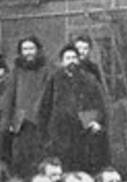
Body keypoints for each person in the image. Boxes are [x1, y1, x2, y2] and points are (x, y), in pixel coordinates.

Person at [38, 45, 109, 174]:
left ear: (78, 60)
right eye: (68, 58)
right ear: (62, 62)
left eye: (74, 58)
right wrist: (46, 134)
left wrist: (96, 121)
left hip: (83, 132)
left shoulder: (89, 79)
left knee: (83, 167)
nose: (71, 61)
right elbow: (45, 107)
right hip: (60, 133)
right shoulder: (54, 80)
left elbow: (100, 103)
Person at [0, 36, 53, 178]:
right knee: (20, 164)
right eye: (25, 49)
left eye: (31, 49)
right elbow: (9, 98)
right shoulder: (16, 72)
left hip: (40, 124)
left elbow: (47, 96)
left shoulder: (47, 71)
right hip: (20, 125)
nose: (28, 52)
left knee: (39, 164)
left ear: (37, 50)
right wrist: (7, 123)